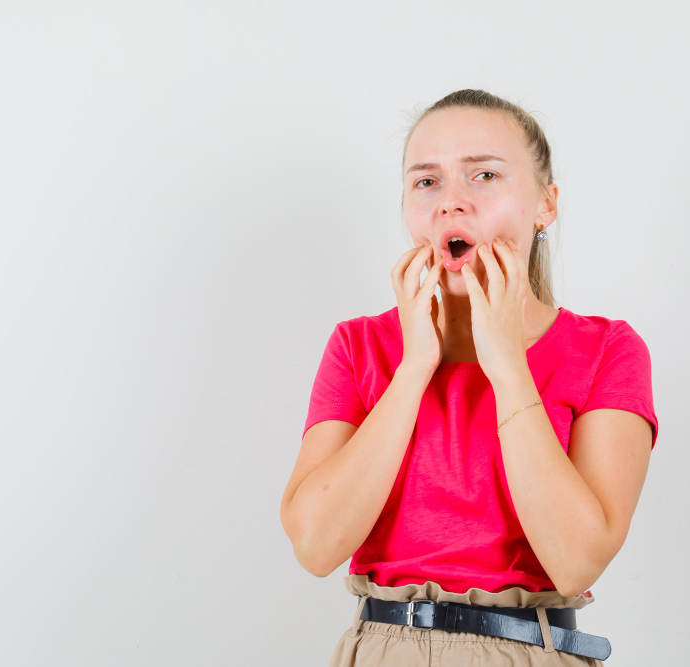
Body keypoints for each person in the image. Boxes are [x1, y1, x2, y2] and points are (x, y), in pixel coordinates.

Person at [280, 89, 658, 666]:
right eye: (426, 182)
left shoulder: (607, 350)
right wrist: (414, 368)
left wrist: (505, 361)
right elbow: (314, 544)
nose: (450, 203)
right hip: (383, 648)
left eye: (483, 175)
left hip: (531, 650)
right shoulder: (358, 346)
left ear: (545, 204)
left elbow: (577, 560)